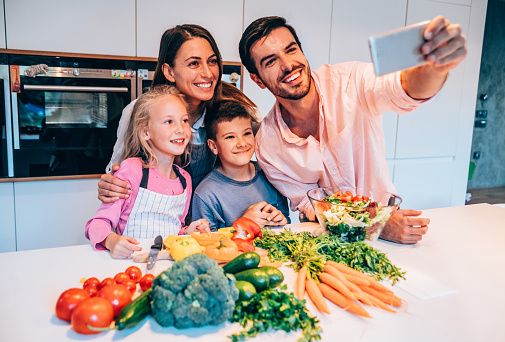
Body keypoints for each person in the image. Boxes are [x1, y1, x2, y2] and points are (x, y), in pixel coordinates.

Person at [239, 16, 467, 244]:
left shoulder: (350, 81)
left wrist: (436, 66)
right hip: (329, 239)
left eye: (291, 50)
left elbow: (405, 89)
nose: (288, 65)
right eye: (271, 61)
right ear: (257, 79)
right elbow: (311, 205)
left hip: (390, 233)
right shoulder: (268, 145)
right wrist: (376, 223)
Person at [98, 24, 258, 203]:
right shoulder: (139, 112)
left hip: (208, 215)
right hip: (160, 216)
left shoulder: (229, 108)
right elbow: (117, 171)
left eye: (212, 61)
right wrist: (110, 184)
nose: (208, 73)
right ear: (169, 71)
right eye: (194, 63)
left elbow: (269, 141)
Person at [85, 85, 210, 259]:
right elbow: (96, 225)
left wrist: (189, 231)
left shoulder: (185, 179)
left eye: (184, 120)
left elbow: (174, 228)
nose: (181, 129)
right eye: (169, 121)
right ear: (146, 132)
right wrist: (111, 240)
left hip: (168, 265)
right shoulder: (132, 170)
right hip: (131, 265)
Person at [191, 100, 290, 230]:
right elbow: (206, 245)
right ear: (213, 146)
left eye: (247, 133)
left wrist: (281, 221)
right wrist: (244, 224)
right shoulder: (206, 195)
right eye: (230, 137)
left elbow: (286, 223)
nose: (242, 143)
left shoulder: (271, 174)